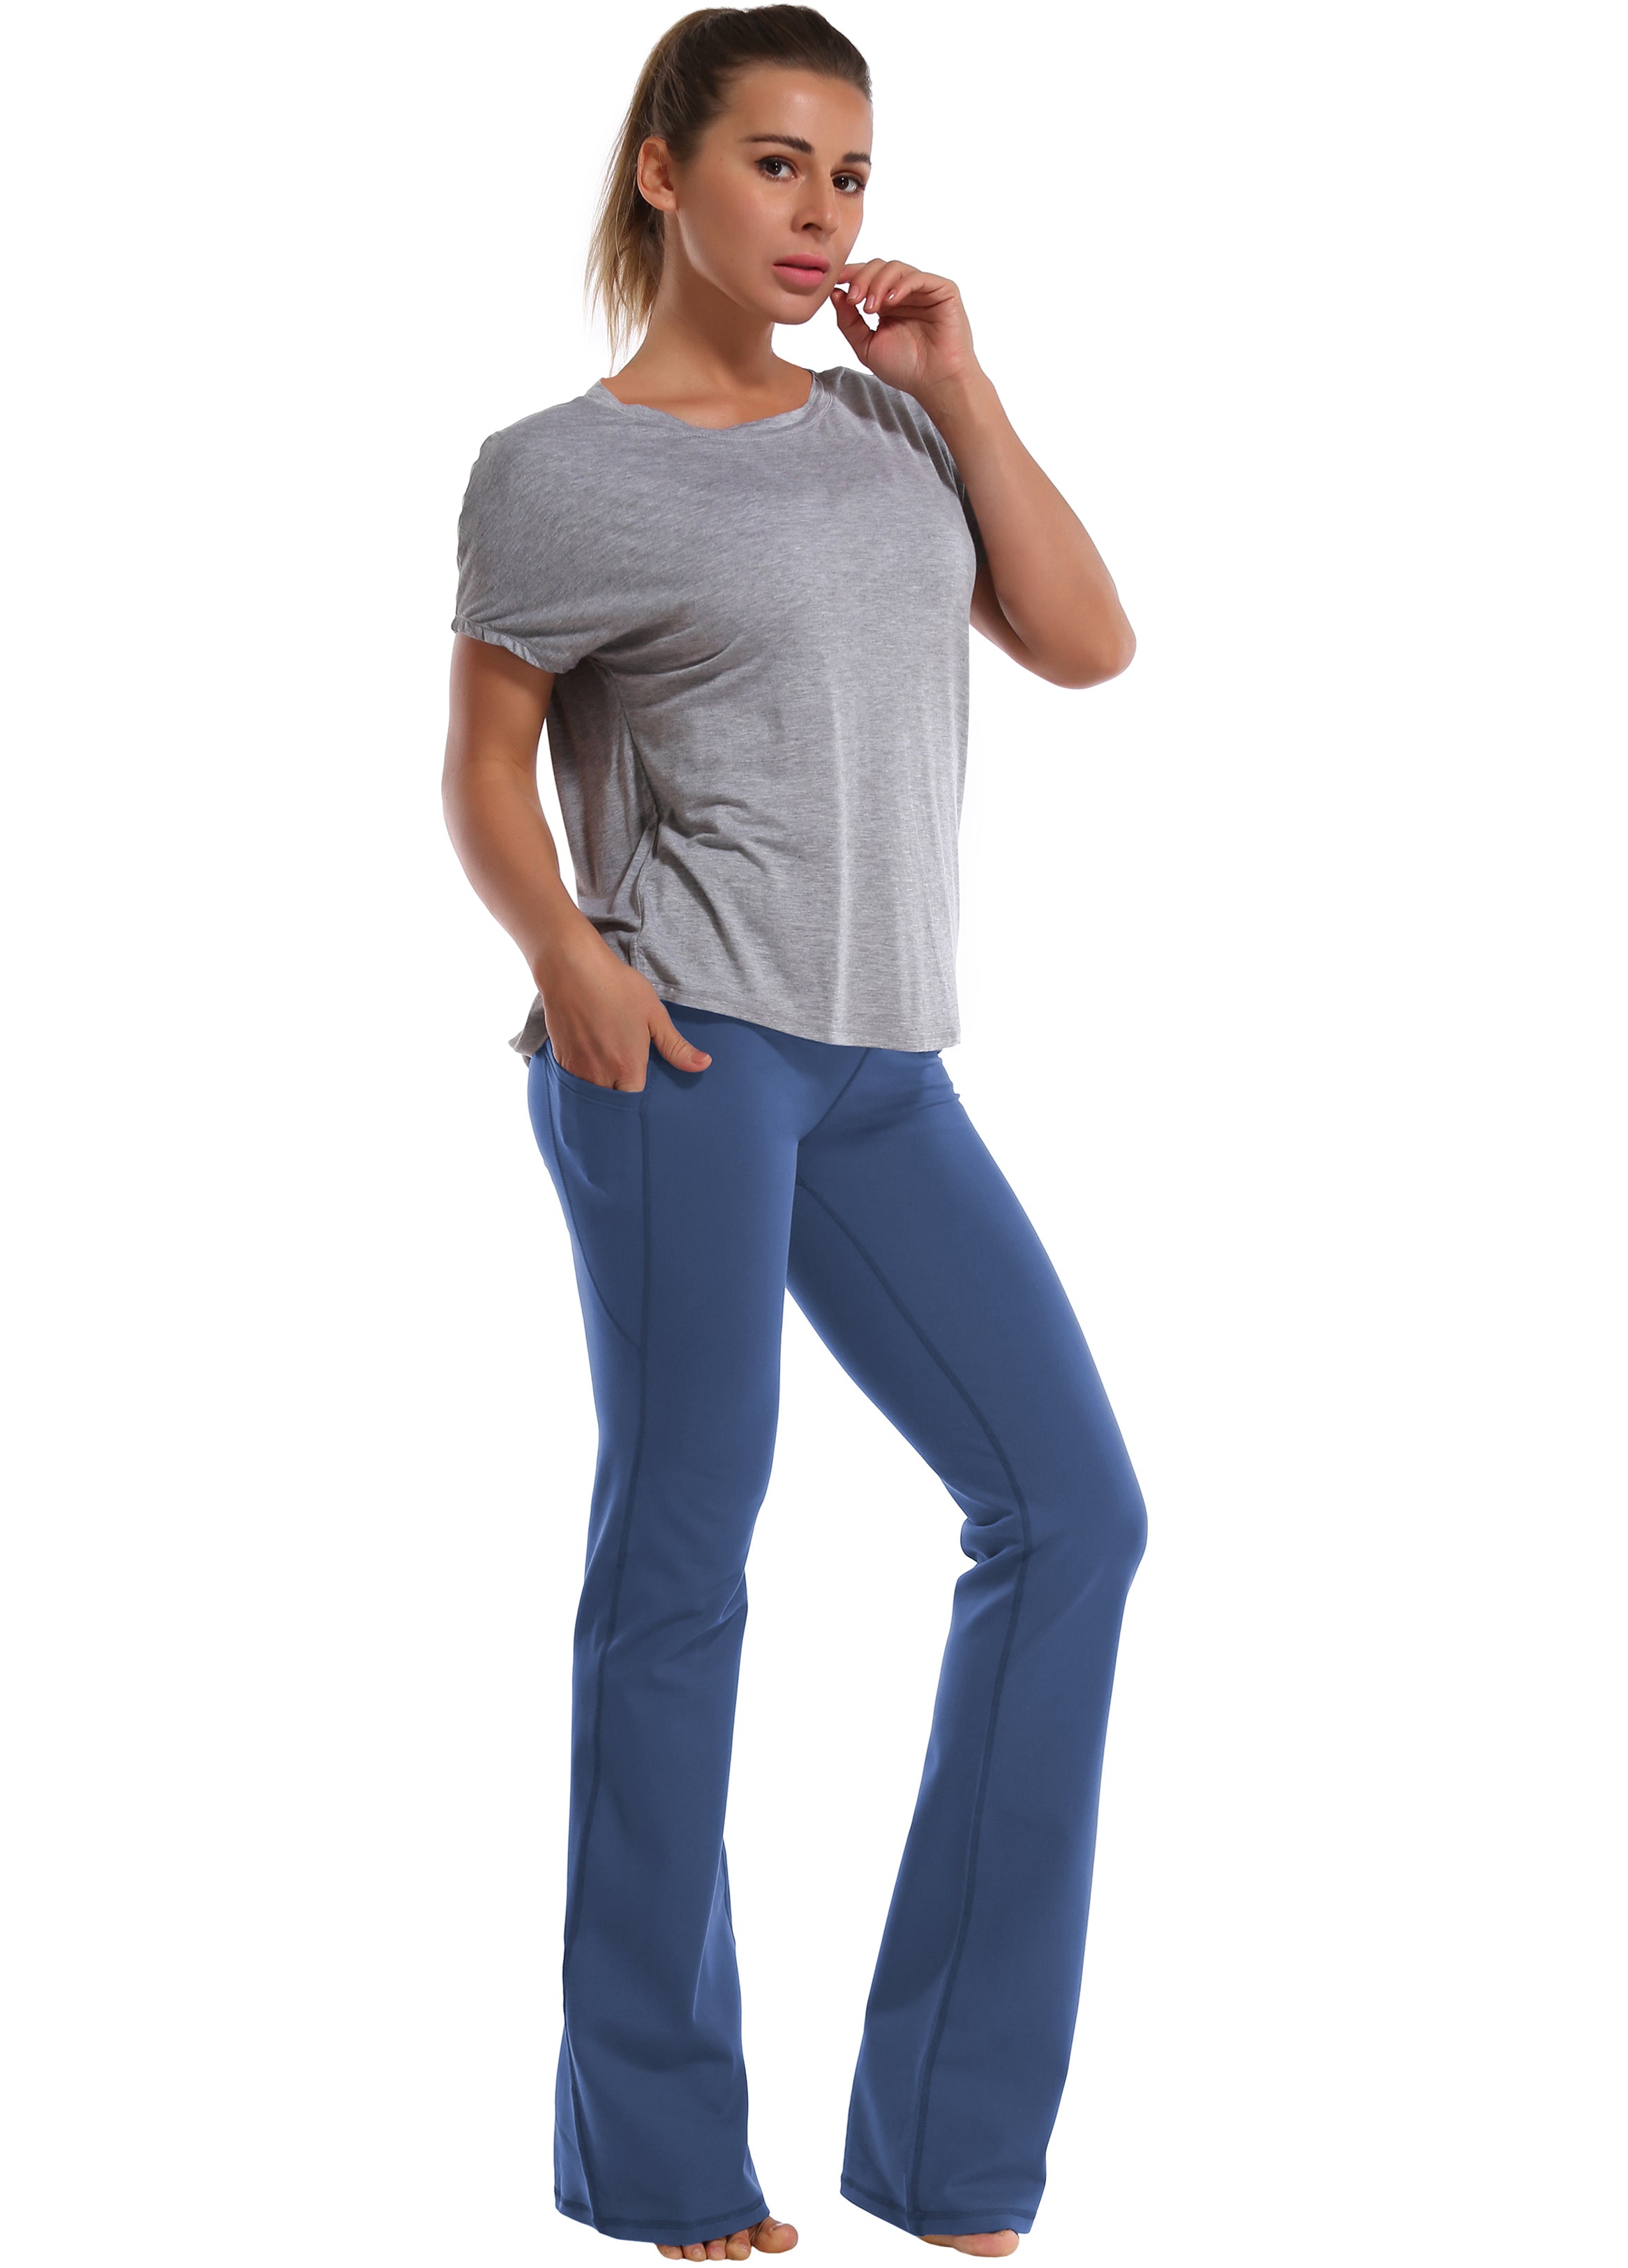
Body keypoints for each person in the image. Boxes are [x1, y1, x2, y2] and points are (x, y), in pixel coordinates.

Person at [440, 9, 1147, 2260]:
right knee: (682, 1568)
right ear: (662, 171)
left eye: (848, 173)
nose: (820, 212)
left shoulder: (884, 424)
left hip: (883, 1067)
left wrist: (960, 386)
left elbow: (1085, 641)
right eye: (774, 163)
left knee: (1072, 1511)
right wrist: (566, 953)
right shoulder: (559, 469)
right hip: (685, 1054)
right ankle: (659, 2160)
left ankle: (946, 2146)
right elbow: (480, 762)